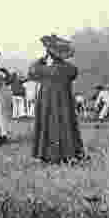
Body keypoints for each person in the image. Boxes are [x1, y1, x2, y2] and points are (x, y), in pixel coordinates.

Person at [28, 34, 83, 164]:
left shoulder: (44, 70)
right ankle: (69, 154)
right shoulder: (68, 69)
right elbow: (73, 71)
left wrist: (41, 60)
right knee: (66, 125)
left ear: (50, 55)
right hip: (64, 103)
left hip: (48, 102)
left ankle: (48, 155)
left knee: (48, 125)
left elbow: (32, 72)